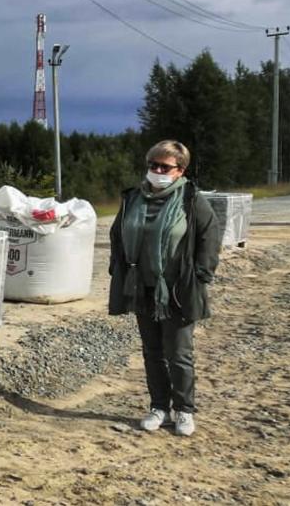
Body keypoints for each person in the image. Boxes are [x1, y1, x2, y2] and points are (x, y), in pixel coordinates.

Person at [108, 140, 221, 437]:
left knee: (179, 353)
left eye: (165, 167)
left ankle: (184, 410)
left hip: (177, 290)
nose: (157, 171)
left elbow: (209, 236)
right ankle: (159, 407)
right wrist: (117, 267)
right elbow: (117, 234)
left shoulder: (191, 199)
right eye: (153, 165)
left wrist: (201, 274)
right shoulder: (133, 198)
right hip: (142, 288)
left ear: (180, 170)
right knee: (152, 351)